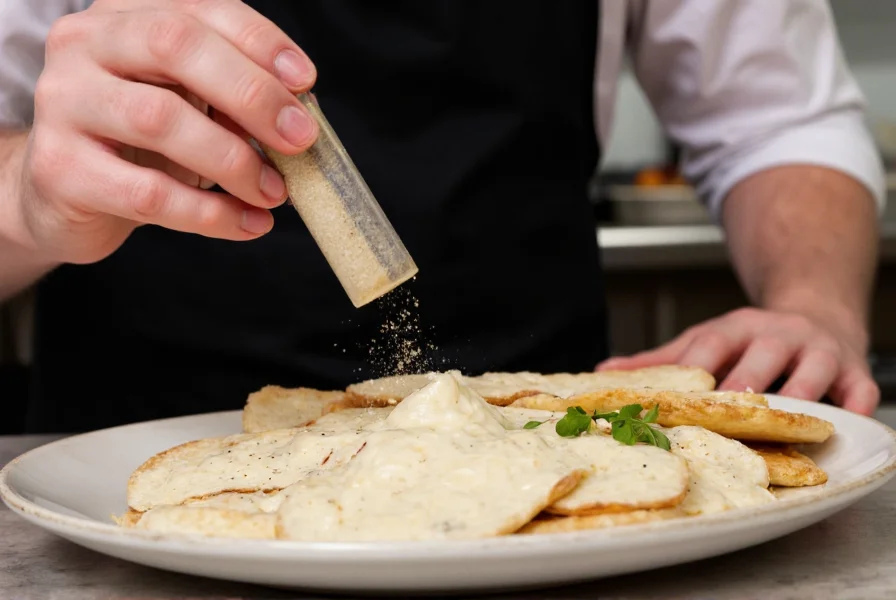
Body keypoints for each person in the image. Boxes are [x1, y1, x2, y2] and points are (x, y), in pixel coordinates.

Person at [0, 0, 885, 433]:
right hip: (125, 483)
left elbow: (779, 117)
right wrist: (30, 203)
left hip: (548, 463)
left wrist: (813, 303)